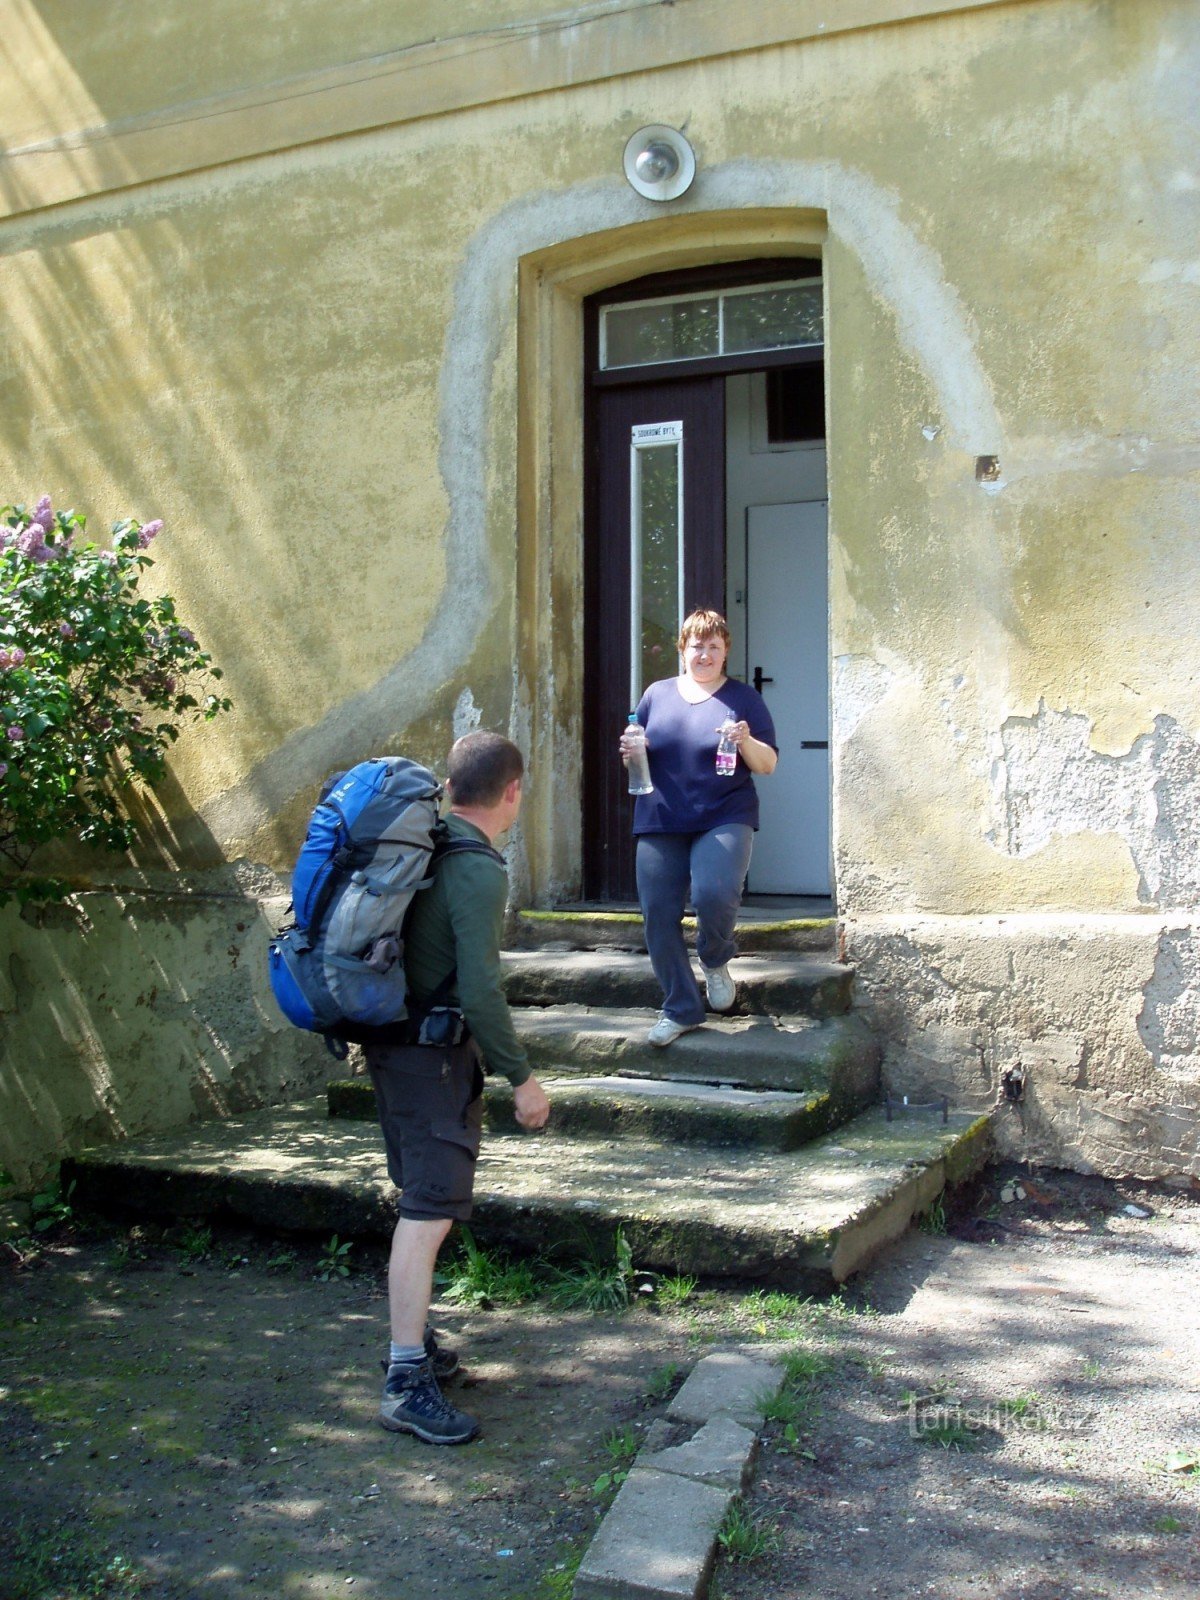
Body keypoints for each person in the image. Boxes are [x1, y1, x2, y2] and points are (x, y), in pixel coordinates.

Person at [364, 731, 550, 1446]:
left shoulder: (427, 841)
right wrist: (522, 1078)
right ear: (512, 793)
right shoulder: (476, 870)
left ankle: (414, 1345)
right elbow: (481, 990)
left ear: (448, 788)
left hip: (390, 1042)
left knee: (421, 1199)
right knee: (430, 1210)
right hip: (430, 1058)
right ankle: (405, 1379)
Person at [620, 609, 778, 1047]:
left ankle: (714, 957)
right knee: (657, 914)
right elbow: (641, 751)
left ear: (726, 651)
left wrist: (745, 739)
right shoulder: (656, 695)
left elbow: (767, 765)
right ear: (682, 649)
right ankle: (681, 1008)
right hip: (661, 815)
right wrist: (632, 749)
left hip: (724, 814)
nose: (704, 654)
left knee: (713, 892)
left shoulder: (743, 700)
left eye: (713, 646)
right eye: (696, 645)